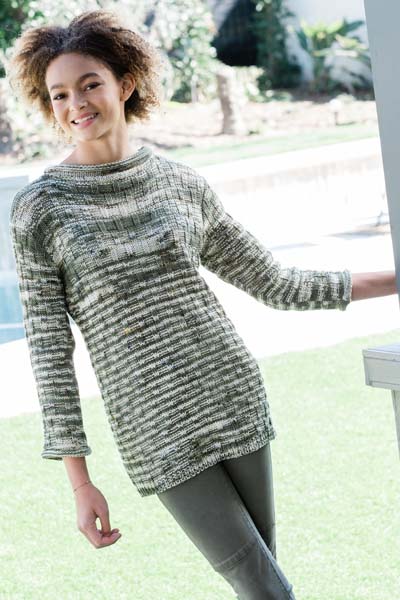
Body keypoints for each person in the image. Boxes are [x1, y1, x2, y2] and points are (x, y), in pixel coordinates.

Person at [7, 9, 397, 600]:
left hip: (231, 395)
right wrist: (79, 481)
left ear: (125, 84)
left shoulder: (180, 183)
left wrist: (394, 279)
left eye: (89, 84)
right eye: (60, 94)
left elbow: (276, 282)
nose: (76, 104)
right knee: (262, 584)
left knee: (262, 583)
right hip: (153, 426)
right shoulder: (41, 209)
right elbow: (49, 352)